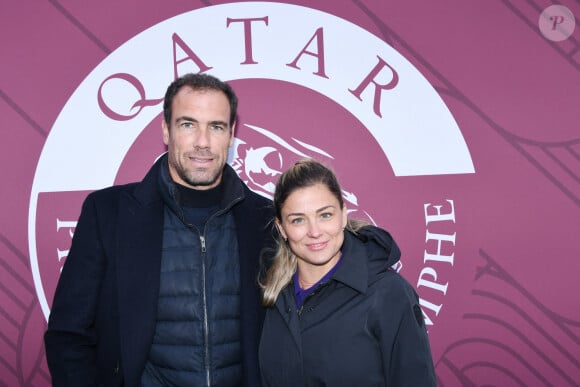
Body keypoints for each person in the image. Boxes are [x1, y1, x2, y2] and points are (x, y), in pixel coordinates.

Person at [44, 73, 274, 387]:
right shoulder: (108, 213)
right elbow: (68, 335)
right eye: (188, 124)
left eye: (216, 127)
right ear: (166, 130)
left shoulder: (264, 217)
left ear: (232, 134)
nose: (202, 142)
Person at [258, 159, 437, 386]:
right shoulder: (273, 297)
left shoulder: (388, 293)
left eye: (325, 215)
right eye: (298, 220)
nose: (314, 232)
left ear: (343, 214)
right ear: (282, 228)